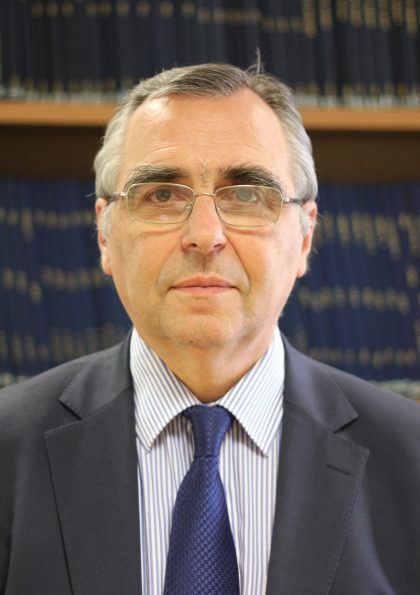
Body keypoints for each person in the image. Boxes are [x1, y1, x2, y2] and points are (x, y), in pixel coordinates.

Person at [1, 63, 419, 595]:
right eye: (161, 195)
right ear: (105, 235)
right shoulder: (8, 449)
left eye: (246, 194)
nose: (204, 235)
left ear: (304, 237)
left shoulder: (411, 458)